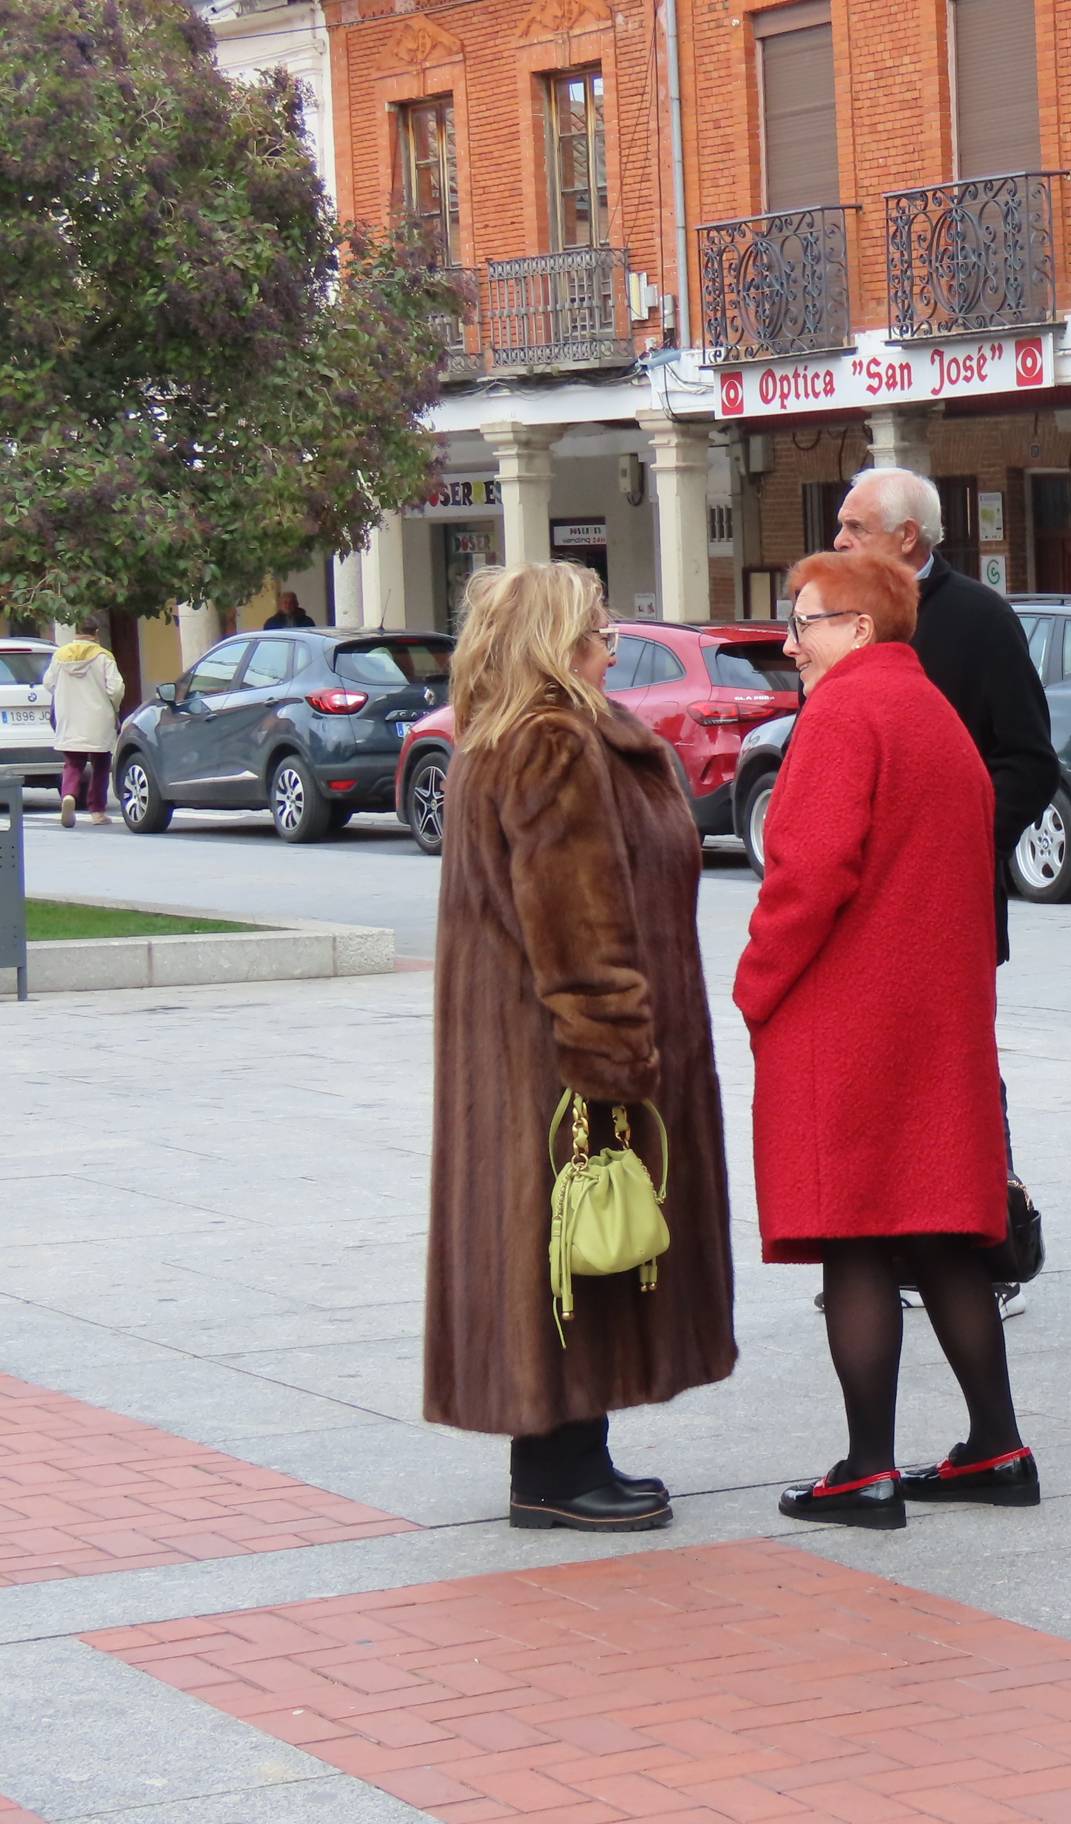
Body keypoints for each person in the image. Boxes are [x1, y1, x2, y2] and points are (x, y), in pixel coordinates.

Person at [423, 561, 738, 1532]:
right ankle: (560, 1468)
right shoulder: (553, 744)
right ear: (556, 647)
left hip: (518, 1055)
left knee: (557, 1246)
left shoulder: (505, 737)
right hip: (561, 1056)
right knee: (578, 1246)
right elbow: (579, 928)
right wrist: (613, 1063)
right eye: (597, 632)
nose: (611, 646)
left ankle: (563, 1452)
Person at [736, 551, 1035, 1529]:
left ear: (858, 628)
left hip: (850, 1018)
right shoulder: (933, 713)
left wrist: (756, 983)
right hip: (934, 1018)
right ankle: (996, 1444)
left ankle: (866, 1467)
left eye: (804, 621)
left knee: (853, 1232)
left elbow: (808, 871)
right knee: (942, 1229)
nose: (789, 642)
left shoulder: (843, 713)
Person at [833, 466, 1056, 1320]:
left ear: (907, 540)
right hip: (862, 912)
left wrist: (953, 843)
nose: (839, 541)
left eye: (853, 528)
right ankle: (888, 1252)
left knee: (960, 1083)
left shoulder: (978, 620)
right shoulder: (845, 621)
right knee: (875, 1078)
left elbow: (1031, 760)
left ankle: (986, 1253)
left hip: (951, 909)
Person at [43, 615, 123, 829]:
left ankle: (68, 795)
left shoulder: (60, 655)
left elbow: (48, 683)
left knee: (73, 762)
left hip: (70, 716)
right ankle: (97, 811)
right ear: (96, 633)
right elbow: (115, 689)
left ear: (76, 632)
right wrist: (113, 706)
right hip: (98, 717)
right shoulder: (104, 656)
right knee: (100, 764)